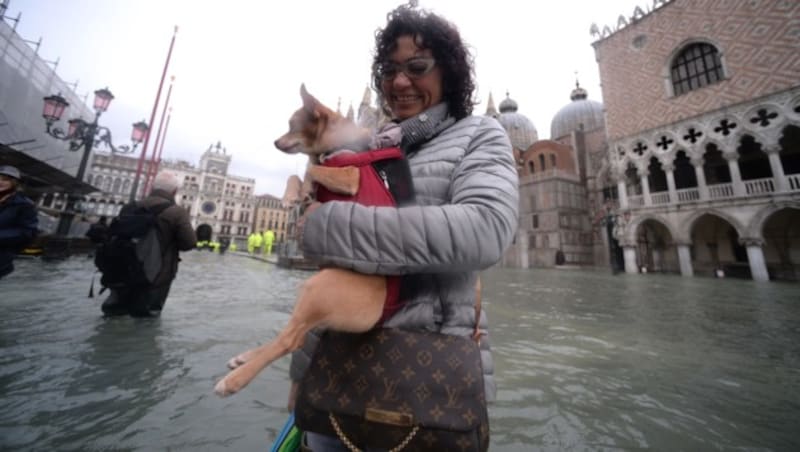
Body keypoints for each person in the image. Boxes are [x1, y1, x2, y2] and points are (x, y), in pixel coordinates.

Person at [288, 4, 519, 449]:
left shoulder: (480, 135)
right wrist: (300, 373)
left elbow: (486, 229)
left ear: (448, 73)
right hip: (333, 373)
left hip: (423, 381)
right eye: (389, 70)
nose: (399, 82)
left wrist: (327, 226)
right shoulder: (366, 147)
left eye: (417, 67)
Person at [101, 171, 196, 317]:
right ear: (175, 191)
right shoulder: (177, 212)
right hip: (155, 275)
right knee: (145, 320)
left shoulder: (129, 207)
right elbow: (189, 243)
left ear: (153, 187)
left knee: (115, 314)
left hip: (121, 271)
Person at [0, 165, 38, 279]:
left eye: (5, 179)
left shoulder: (24, 205)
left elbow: (27, 232)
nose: (0, 182)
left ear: (14, 182)